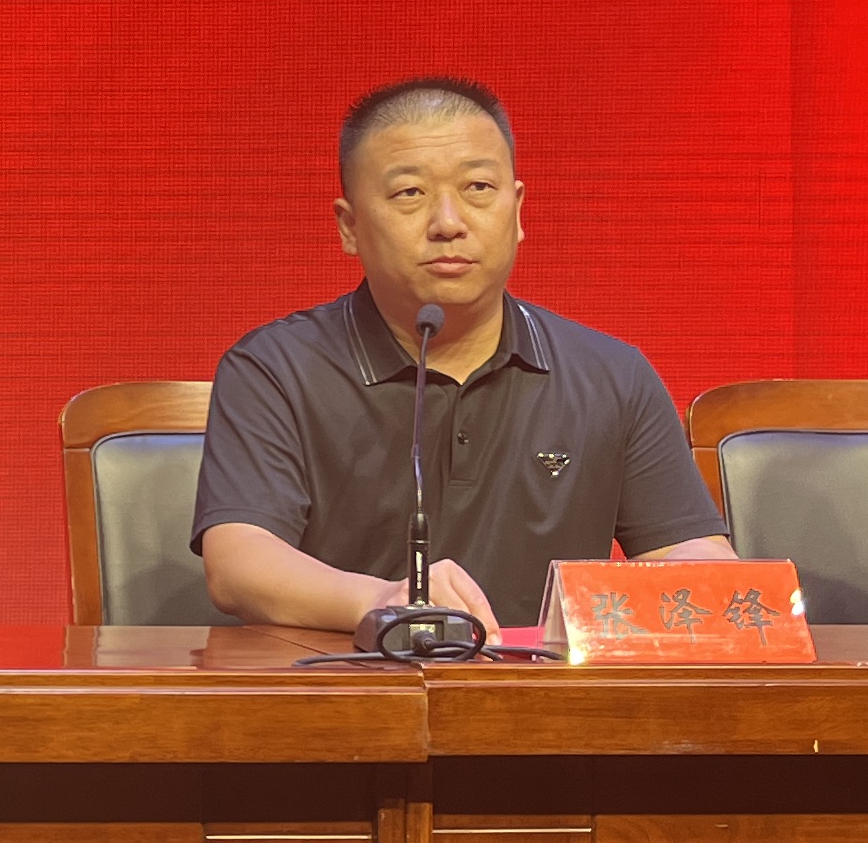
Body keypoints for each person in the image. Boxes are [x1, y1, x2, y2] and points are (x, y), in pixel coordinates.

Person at [195, 77, 733, 634]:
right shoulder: (276, 368)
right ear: (350, 227)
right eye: (410, 193)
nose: (448, 223)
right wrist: (385, 601)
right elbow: (239, 562)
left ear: (517, 211)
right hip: (345, 679)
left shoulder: (612, 375)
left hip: (544, 684)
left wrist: (714, 576)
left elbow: (687, 547)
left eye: (478, 187)